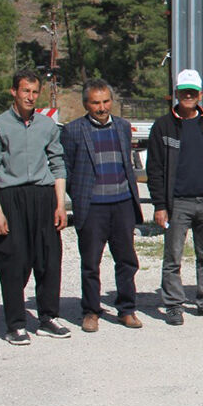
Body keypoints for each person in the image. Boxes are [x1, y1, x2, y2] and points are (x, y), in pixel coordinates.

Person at [0, 70, 68, 345]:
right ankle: (16, 324)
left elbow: (58, 165)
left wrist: (60, 205)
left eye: (34, 91)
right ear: (14, 92)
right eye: (25, 91)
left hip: (43, 196)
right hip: (11, 197)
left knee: (49, 259)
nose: (30, 96)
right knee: (13, 261)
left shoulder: (47, 126)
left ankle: (48, 317)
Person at [61, 79, 144, 332]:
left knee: (126, 260)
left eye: (106, 101)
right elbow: (67, 169)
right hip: (93, 207)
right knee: (90, 263)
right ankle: (90, 311)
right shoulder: (73, 131)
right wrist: (80, 195)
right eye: (96, 103)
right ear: (86, 104)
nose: (102, 107)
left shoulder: (122, 126)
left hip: (122, 203)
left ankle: (126, 309)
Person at [147, 69, 203, 324]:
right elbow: (155, 169)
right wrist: (160, 205)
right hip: (177, 203)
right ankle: (174, 305)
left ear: (200, 94)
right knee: (173, 257)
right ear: (176, 93)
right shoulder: (163, 126)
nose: (189, 96)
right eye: (184, 92)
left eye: (193, 92)